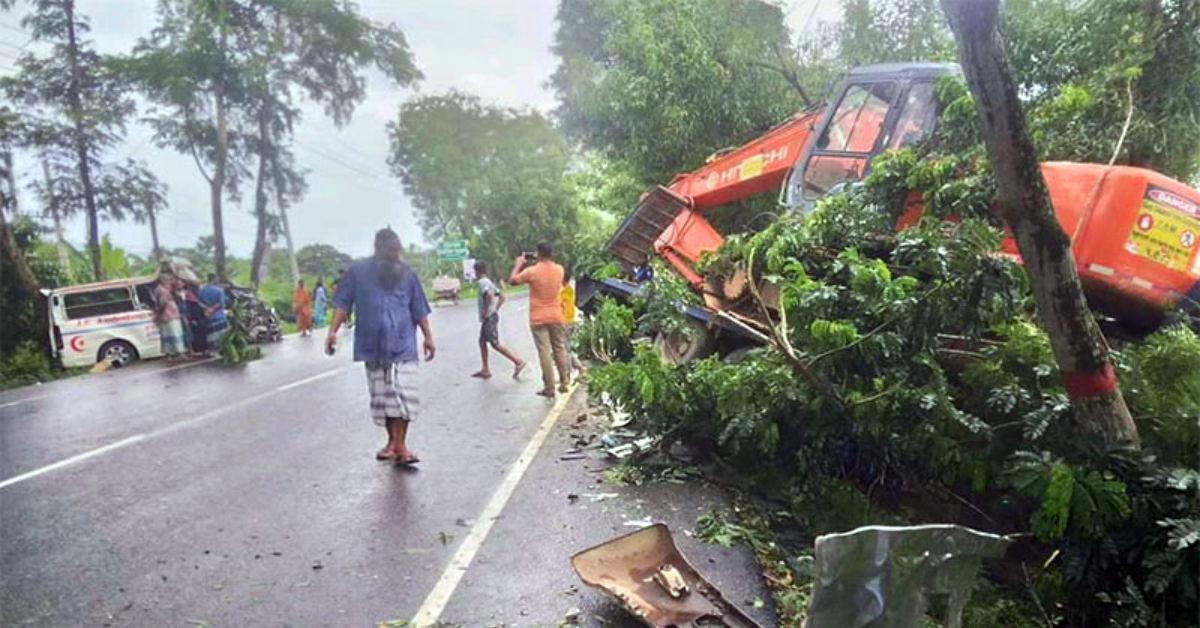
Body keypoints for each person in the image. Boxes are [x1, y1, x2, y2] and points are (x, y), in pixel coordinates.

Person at [326, 228, 435, 466]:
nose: (396, 256)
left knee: (403, 395)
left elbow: (418, 307)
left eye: (398, 251)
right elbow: (343, 303)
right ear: (379, 250)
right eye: (391, 252)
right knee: (382, 397)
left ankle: (401, 445)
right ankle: (392, 441)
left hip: (403, 345)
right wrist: (332, 332)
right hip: (372, 346)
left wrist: (428, 337)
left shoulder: (408, 273)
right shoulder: (357, 272)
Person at [509, 240, 570, 397]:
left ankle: (549, 387)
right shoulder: (559, 270)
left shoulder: (532, 271)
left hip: (538, 318)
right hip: (556, 315)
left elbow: (513, 281)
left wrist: (518, 264)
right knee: (560, 348)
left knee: (544, 352)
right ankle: (564, 382)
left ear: (538, 253)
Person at [471, 261, 526, 380]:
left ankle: (518, 361)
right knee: (482, 342)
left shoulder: (482, 282)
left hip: (488, 317)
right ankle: (485, 369)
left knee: (495, 343)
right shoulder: (489, 281)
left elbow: (489, 295)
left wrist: (487, 311)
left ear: (477, 271)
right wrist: (495, 309)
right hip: (491, 316)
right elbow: (501, 296)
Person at [154, 274, 186, 362]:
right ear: (163, 281)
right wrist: (160, 313)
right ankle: (178, 353)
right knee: (173, 334)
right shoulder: (162, 291)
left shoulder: (162, 289)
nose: (169, 282)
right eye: (168, 280)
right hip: (168, 316)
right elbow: (162, 303)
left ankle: (172, 354)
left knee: (168, 335)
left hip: (169, 315)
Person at [559, 266, 584, 372]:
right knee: (567, 347)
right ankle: (579, 367)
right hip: (570, 320)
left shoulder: (563, 291)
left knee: (563, 349)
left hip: (564, 322)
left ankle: (567, 372)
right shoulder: (569, 289)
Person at [198, 274, 229, 351]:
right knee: (221, 333)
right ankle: (220, 348)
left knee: (210, 333)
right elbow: (221, 303)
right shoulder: (219, 290)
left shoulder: (201, 290)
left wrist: (207, 309)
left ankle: (210, 349)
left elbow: (198, 302)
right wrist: (212, 308)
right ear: (214, 279)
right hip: (218, 315)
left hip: (207, 315)